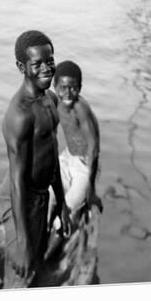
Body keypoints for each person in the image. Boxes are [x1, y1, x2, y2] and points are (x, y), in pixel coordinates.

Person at [0, 30, 71, 288]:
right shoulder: (19, 114)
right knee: (21, 270)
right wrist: (22, 243)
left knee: (36, 264)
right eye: (36, 64)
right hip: (20, 196)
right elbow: (18, 180)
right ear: (21, 67)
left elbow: (51, 157)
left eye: (49, 61)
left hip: (41, 195)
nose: (46, 69)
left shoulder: (50, 100)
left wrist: (61, 204)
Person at [50, 60, 103, 226]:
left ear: (79, 88)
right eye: (62, 88)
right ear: (54, 86)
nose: (67, 93)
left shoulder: (80, 109)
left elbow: (93, 149)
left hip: (85, 164)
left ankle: (59, 232)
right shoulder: (55, 103)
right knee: (46, 197)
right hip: (67, 157)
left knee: (67, 209)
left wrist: (91, 191)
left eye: (72, 88)